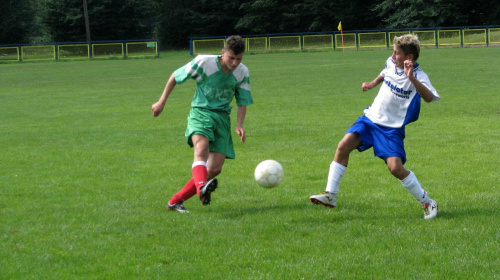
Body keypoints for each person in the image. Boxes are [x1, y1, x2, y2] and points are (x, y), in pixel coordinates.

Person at [310, 34, 440, 219]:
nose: (393, 56)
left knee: (395, 168)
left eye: (397, 53)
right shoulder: (390, 63)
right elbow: (385, 71)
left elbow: (428, 98)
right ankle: (330, 195)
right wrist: (372, 83)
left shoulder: (419, 76)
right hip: (370, 119)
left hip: (391, 129)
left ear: (409, 58)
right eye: (393, 52)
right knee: (343, 146)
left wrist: (411, 78)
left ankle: (427, 202)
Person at [152, 35, 253, 213]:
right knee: (201, 148)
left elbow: (242, 100)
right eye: (231, 58)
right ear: (223, 53)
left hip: (222, 118)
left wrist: (239, 124)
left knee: (214, 168)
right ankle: (201, 189)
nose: (235, 63)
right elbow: (176, 76)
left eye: (239, 59)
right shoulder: (204, 62)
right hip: (201, 112)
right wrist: (161, 102)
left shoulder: (242, 72)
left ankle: (175, 201)